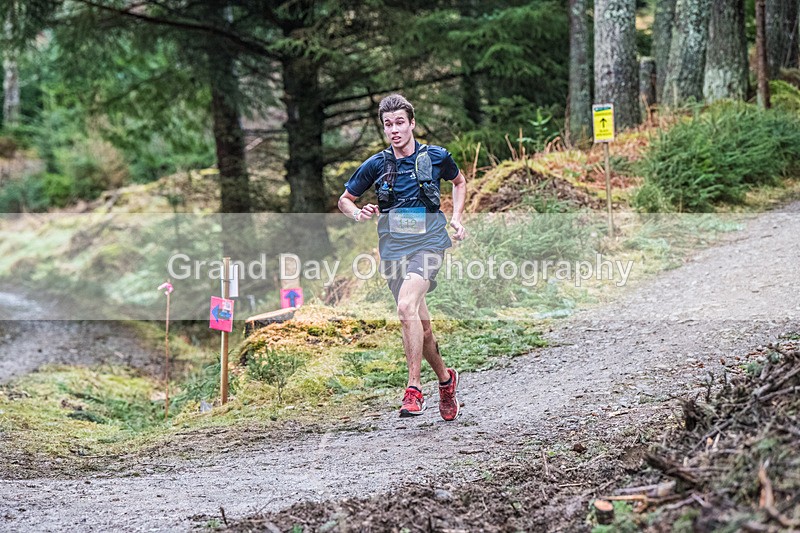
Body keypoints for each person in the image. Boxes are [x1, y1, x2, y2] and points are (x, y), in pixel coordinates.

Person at [338, 94, 467, 420]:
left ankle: (413, 389)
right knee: (422, 328)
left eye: (399, 123)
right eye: (388, 124)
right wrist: (358, 213)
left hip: (430, 243)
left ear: (411, 123)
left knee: (405, 306)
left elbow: (459, 182)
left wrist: (457, 218)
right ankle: (446, 380)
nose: (394, 130)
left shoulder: (436, 156)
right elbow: (345, 199)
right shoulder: (377, 165)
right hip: (393, 249)